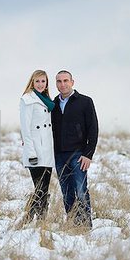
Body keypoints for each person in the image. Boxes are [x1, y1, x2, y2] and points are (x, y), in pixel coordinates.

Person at [51, 70, 98, 229]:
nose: (62, 84)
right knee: (67, 192)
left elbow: (93, 129)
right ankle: (73, 224)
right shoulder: (53, 104)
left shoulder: (85, 101)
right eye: (59, 81)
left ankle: (85, 227)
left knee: (81, 190)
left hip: (78, 154)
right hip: (59, 155)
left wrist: (88, 154)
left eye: (65, 81)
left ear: (72, 82)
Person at [19, 70, 55, 222]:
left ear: (47, 83)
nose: (40, 84)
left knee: (44, 190)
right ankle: (26, 218)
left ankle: (41, 222)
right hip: (35, 150)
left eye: (43, 81)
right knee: (40, 189)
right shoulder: (27, 99)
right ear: (32, 82)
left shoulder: (48, 100)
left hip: (47, 149)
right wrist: (31, 152)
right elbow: (25, 128)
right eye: (37, 81)